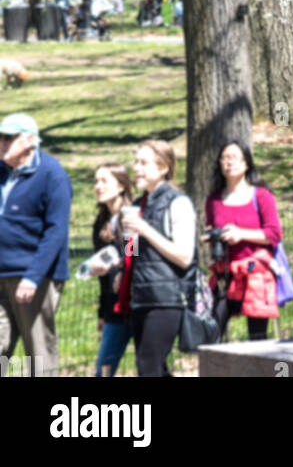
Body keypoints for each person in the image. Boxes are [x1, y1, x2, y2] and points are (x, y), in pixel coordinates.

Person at [0, 112, 72, 376]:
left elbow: (57, 231)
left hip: (34, 278)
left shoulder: (52, 175)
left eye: (9, 138)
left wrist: (33, 276)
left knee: (38, 356)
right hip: (2, 273)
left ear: (30, 140)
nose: (2, 143)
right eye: (0, 138)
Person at [115, 140, 195, 377]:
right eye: (135, 162)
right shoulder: (138, 205)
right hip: (140, 297)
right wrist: (121, 266)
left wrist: (145, 229)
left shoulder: (178, 202)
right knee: (154, 369)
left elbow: (184, 257)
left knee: (148, 367)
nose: (136, 168)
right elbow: (134, 252)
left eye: (143, 163)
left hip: (166, 298)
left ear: (163, 168)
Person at [204, 142, 282, 341]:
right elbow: (210, 228)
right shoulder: (213, 200)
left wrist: (240, 234)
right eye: (224, 157)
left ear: (247, 163)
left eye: (235, 157)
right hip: (224, 275)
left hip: (254, 274)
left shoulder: (262, 196)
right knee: (211, 334)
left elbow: (274, 234)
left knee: (257, 339)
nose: (229, 161)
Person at [90, 163, 134, 376]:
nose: (98, 186)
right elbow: (103, 279)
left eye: (104, 181)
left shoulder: (132, 218)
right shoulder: (100, 224)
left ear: (121, 186)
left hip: (138, 304)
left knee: (153, 368)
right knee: (104, 371)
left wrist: (122, 272)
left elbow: (133, 257)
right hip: (114, 310)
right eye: (96, 181)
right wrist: (102, 312)